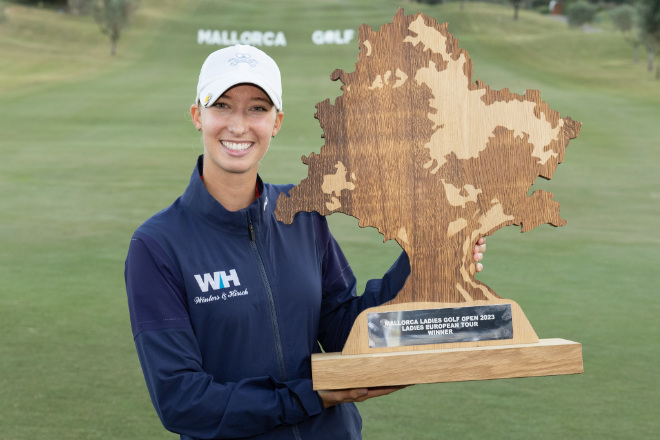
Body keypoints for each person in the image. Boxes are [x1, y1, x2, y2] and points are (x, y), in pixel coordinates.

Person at [125, 44, 486, 440]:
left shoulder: (301, 213)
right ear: (198, 115)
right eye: (223, 105)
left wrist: (425, 262)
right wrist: (311, 394)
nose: (239, 125)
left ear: (277, 121)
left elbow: (344, 329)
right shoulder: (158, 246)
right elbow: (182, 401)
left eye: (258, 109)